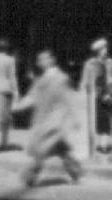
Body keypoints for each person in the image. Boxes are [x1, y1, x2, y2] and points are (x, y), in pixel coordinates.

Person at [16, 49, 85, 188]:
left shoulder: (61, 78)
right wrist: (17, 106)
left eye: (45, 58)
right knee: (60, 149)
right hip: (42, 118)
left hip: (54, 120)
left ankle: (29, 176)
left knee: (42, 149)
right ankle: (75, 171)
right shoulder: (41, 79)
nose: (41, 62)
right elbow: (32, 97)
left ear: (52, 60)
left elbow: (67, 98)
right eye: (40, 59)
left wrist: (74, 118)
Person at [82, 38, 112, 156]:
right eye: (103, 49)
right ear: (98, 51)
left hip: (108, 95)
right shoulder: (90, 64)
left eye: (105, 48)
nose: (105, 51)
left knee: (106, 120)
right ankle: (93, 144)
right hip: (95, 96)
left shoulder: (110, 63)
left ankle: (104, 145)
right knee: (94, 120)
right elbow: (85, 81)